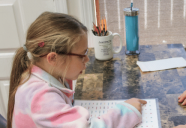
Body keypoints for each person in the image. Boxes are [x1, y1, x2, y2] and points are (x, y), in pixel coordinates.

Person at [7, 12, 147, 128]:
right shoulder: (41, 97)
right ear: (53, 59)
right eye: (82, 55)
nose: (87, 59)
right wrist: (127, 111)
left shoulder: (40, 74)